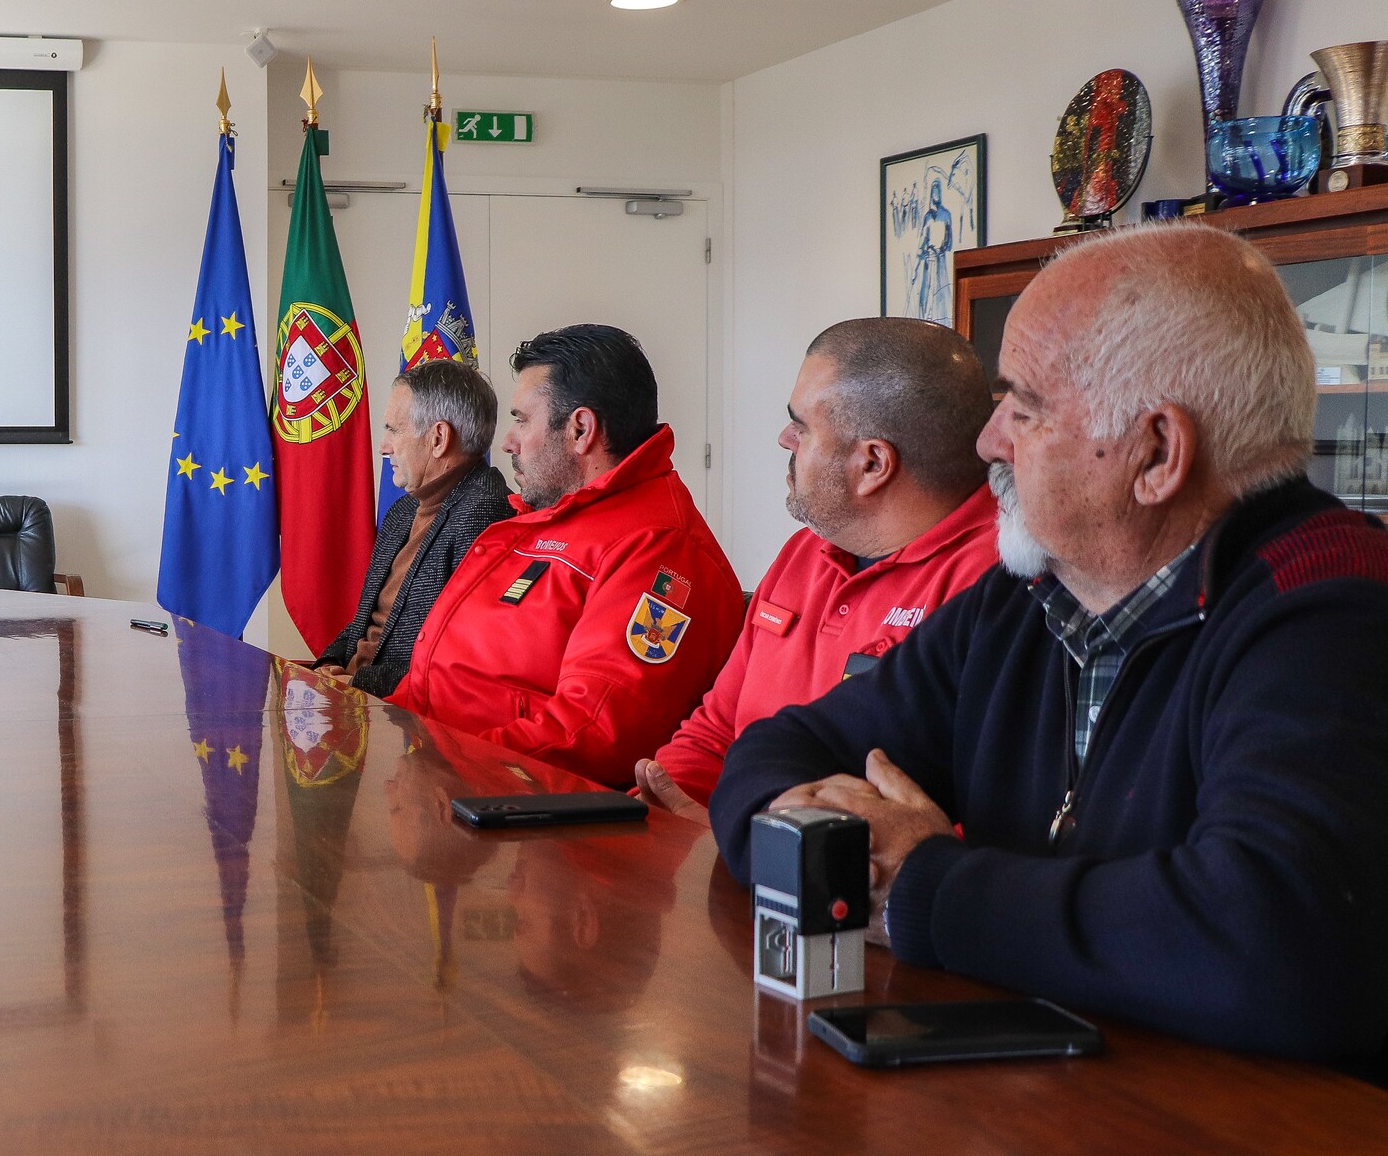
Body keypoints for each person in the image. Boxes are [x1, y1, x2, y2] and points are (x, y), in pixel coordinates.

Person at [712, 226, 1388, 1067]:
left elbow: (1278, 944)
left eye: (1024, 409)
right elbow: (781, 749)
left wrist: (927, 886)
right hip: (1040, 1121)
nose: (988, 441)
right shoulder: (1028, 596)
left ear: (1155, 454)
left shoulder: (1331, 609)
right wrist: (828, 847)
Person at [633, 318, 998, 819]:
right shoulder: (804, 554)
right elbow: (717, 733)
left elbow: (989, 823)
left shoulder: (1000, 585)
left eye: (801, 425)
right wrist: (646, 813)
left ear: (872, 464)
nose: (785, 438)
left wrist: (739, 837)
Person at [390, 325, 742, 787]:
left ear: (581, 429)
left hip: (508, 805)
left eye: (521, 420)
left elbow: (592, 733)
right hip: (439, 772)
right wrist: (380, 726)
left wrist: (440, 766)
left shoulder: (659, 547)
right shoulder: (547, 514)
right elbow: (432, 673)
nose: (508, 442)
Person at [315, 359, 514, 697]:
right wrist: (328, 663)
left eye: (393, 429)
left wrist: (356, 684)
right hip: (354, 698)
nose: (384, 446)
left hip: (400, 717)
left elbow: (460, 666)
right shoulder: (405, 509)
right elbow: (366, 621)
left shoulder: (488, 516)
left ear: (438, 437)